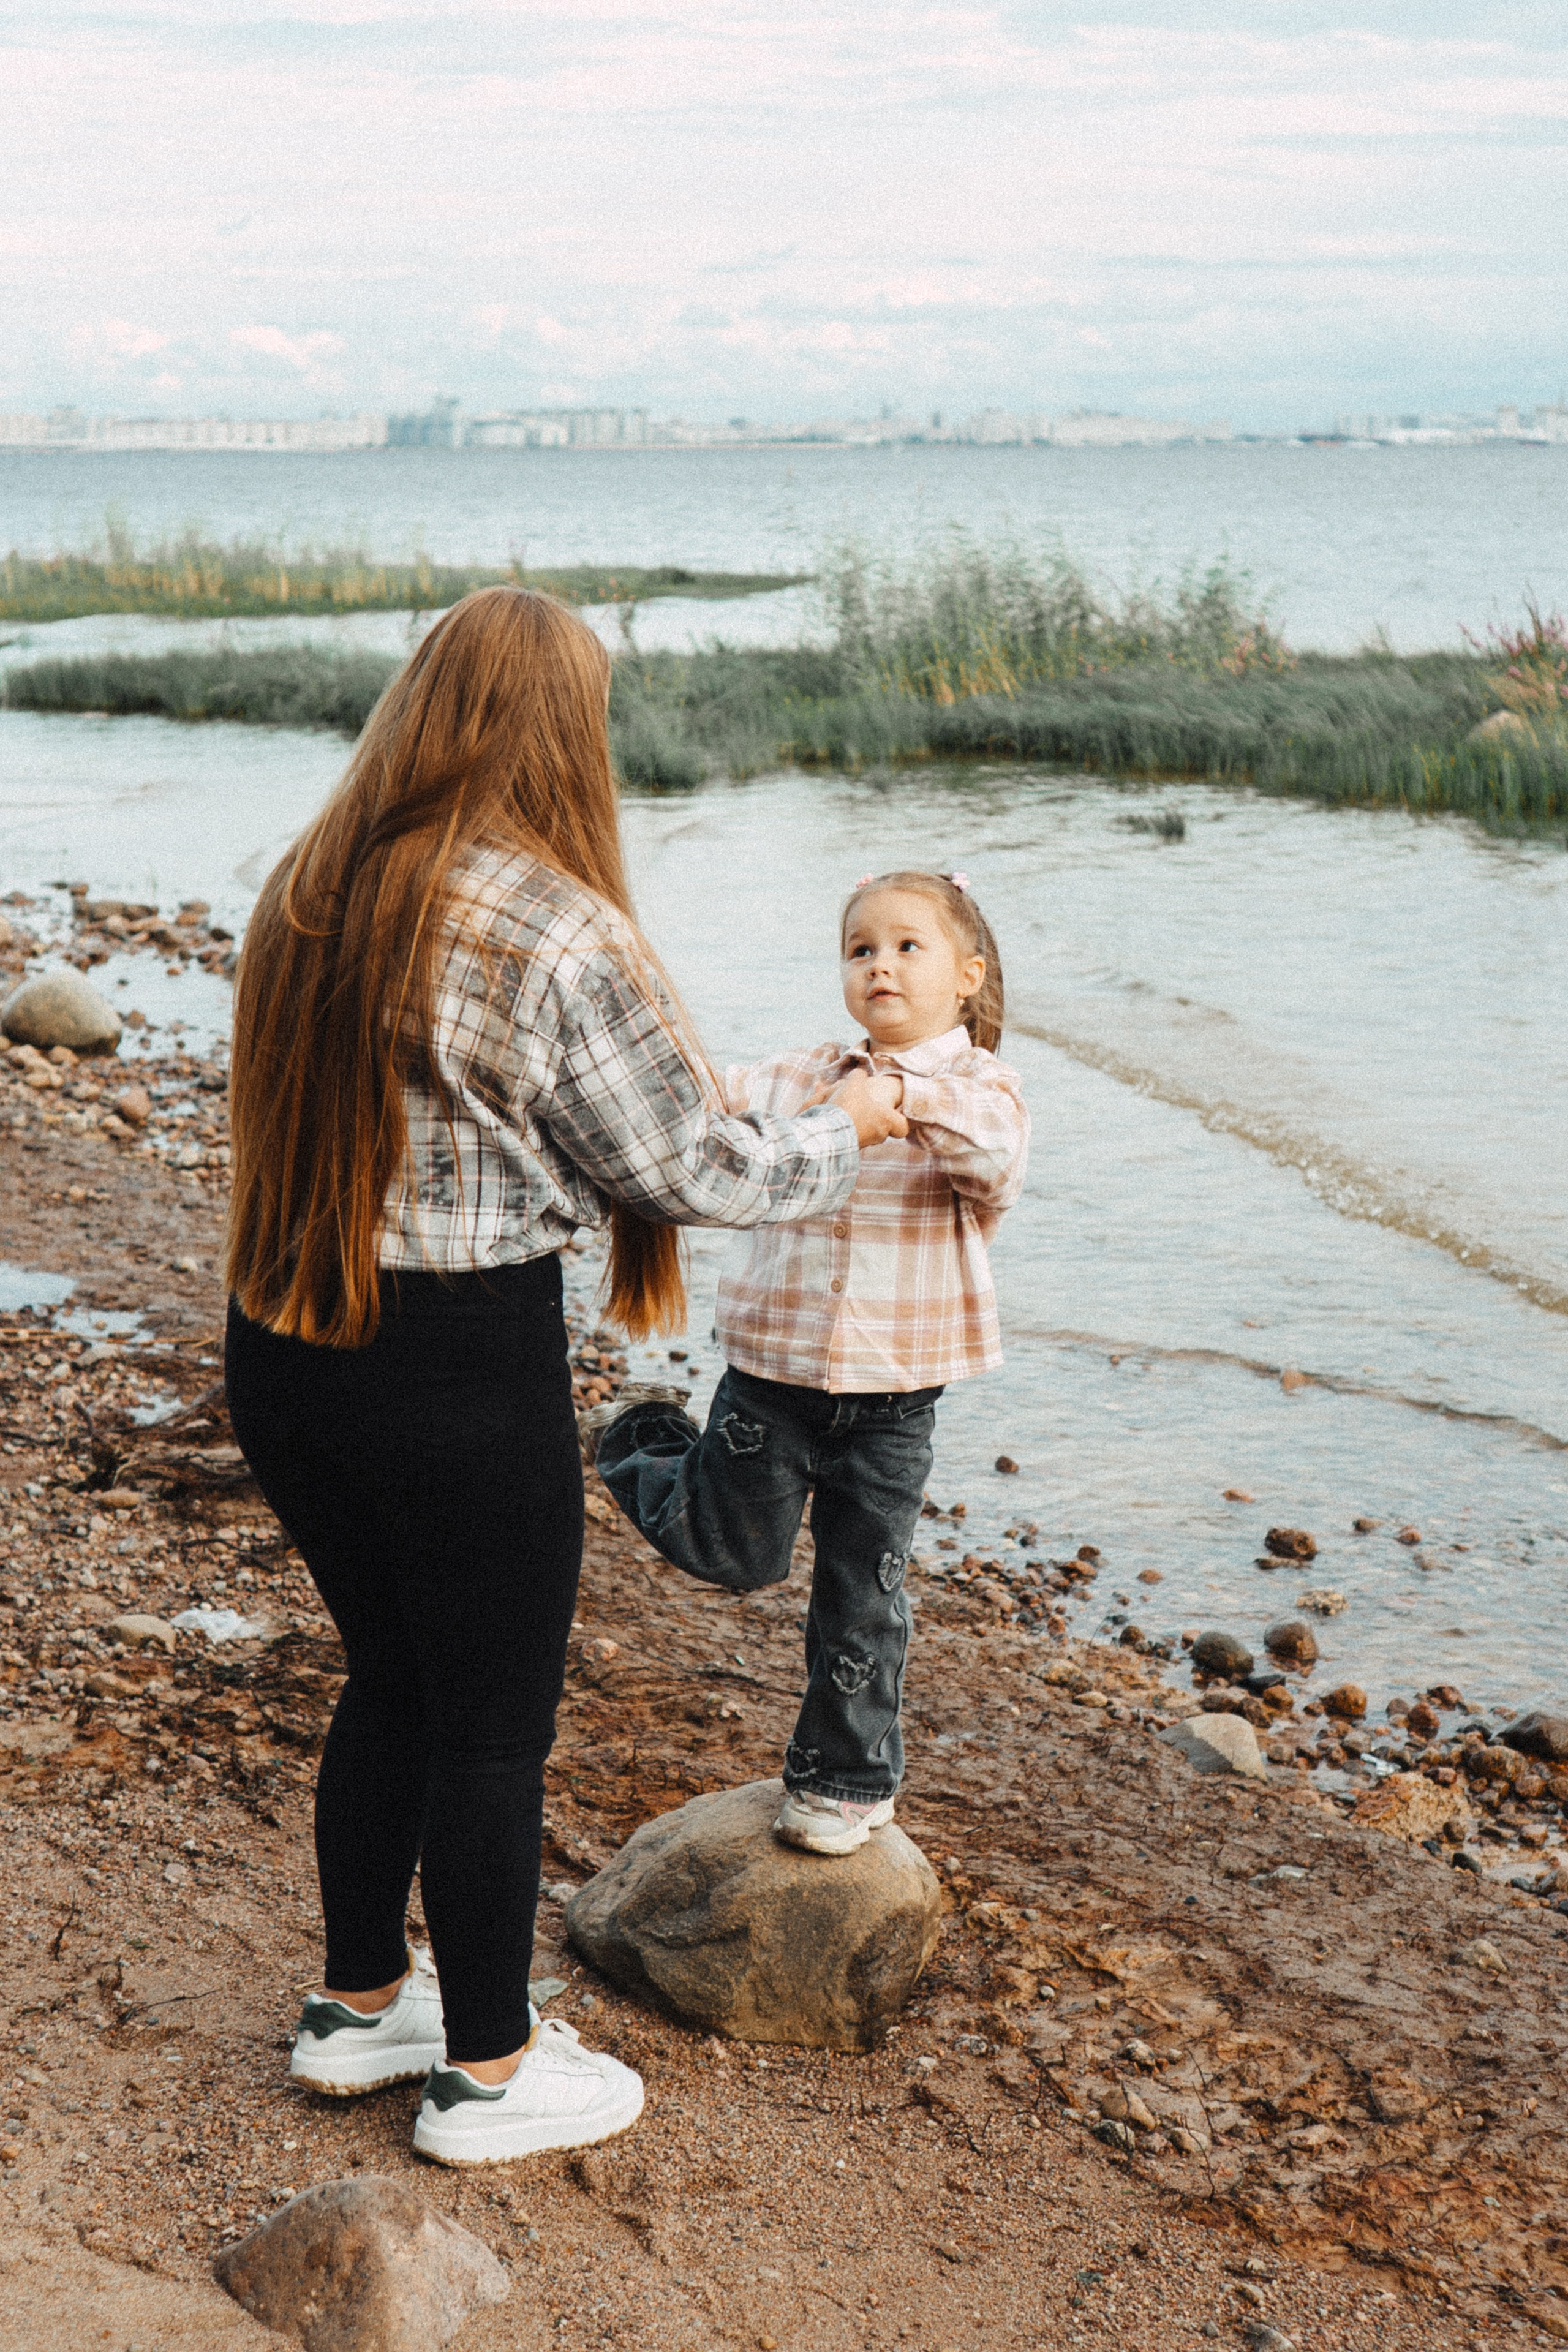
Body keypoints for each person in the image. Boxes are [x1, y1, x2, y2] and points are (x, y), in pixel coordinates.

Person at [221, 588, 905, 2166]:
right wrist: (850, 1131)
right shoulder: (549, 920)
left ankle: (356, 2006)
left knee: (392, 1673)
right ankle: (488, 2073)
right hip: (455, 1366)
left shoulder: (311, 886)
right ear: (557, 729)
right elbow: (693, 1165)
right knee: (488, 1723)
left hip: (286, 1343)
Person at [587, 870, 1029, 1856]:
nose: (881, 964)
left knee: (862, 1593)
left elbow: (995, 1161)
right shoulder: (803, 1074)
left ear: (968, 974)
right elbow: (697, 1107)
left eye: (908, 947)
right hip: (770, 1382)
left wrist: (897, 1097)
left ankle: (843, 1780)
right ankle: (642, 1441)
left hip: (894, 1400)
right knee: (735, 1557)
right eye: (862, 948)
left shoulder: (982, 1088)